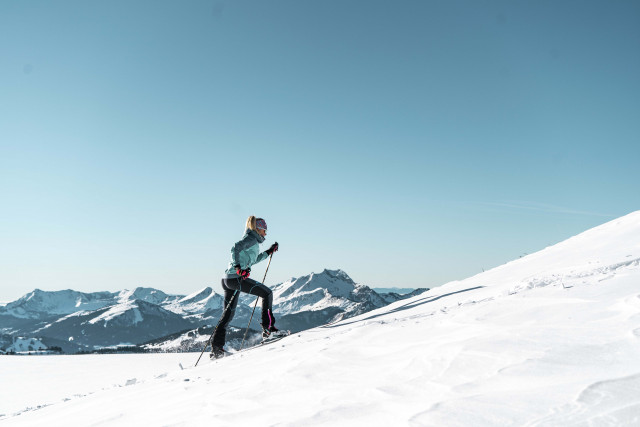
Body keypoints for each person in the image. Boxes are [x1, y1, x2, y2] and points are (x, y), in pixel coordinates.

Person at [210, 215, 283, 358]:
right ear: (258, 229)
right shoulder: (250, 239)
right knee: (267, 293)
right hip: (236, 278)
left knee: (228, 315)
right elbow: (234, 248)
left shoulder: (253, 242)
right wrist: (238, 268)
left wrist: (269, 252)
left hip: (228, 279)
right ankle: (269, 330)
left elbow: (254, 260)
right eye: (264, 231)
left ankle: (216, 349)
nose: (265, 234)